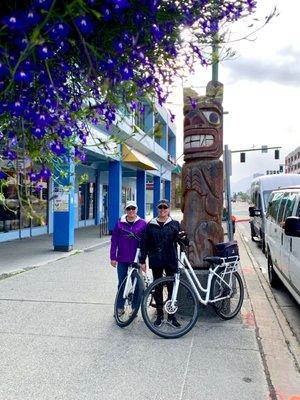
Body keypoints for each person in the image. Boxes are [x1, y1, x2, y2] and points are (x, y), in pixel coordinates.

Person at [140, 199, 181, 328]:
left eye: (165, 207)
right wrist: (142, 260)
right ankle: (159, 315)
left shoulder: (174, 224)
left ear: (168, 209)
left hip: (170, 259)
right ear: (157, 209)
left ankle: (171, 316)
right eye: (160, 207)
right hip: (156, 259)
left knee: (171, 288)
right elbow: (144, 243)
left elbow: (181, 240)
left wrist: (184, 238)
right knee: (157, 287)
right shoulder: (150, 225)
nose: (163, 210)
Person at [110, 200, 147, 314]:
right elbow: (114, 241)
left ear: (137, 210)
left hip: (136, 259)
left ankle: (134, 308)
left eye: (133, 208)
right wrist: (113, 257)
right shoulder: (120, 223)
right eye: (129, 208)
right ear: (125, 210)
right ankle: (120, 307)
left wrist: (143, 260)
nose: (131, 211)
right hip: (122, 258)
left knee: (136, 284)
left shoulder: (143, 223)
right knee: (122, 283)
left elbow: (146, 242)